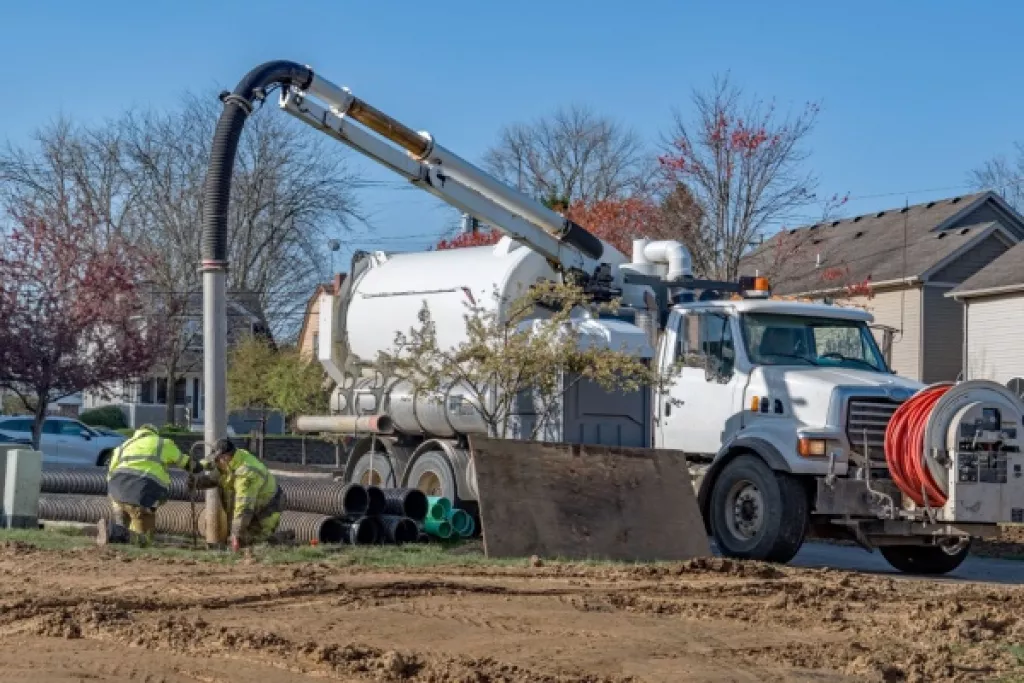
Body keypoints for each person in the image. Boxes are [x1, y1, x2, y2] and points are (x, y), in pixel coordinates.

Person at [97, 423, 202, 547]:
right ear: (154, 433)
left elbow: (110, 475)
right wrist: (199, 466)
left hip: (116, 493)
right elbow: (186, 463)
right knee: (145, 538)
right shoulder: (162, 443)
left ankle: (118, 529)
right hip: (143, 495)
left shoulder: (122, 446)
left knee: (122, 517)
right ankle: (113, 533)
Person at [193, 438, 291, 551]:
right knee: (241, 540)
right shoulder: (232, 458)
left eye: (217, 460)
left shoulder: (246, 473)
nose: (215, 464)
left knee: (255, 545)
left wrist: (235, 534)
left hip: (266, 508)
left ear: (225, 458)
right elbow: (211, 469)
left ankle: (284, 539)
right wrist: (196, 479)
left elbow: (243, 508)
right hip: (252, 506)